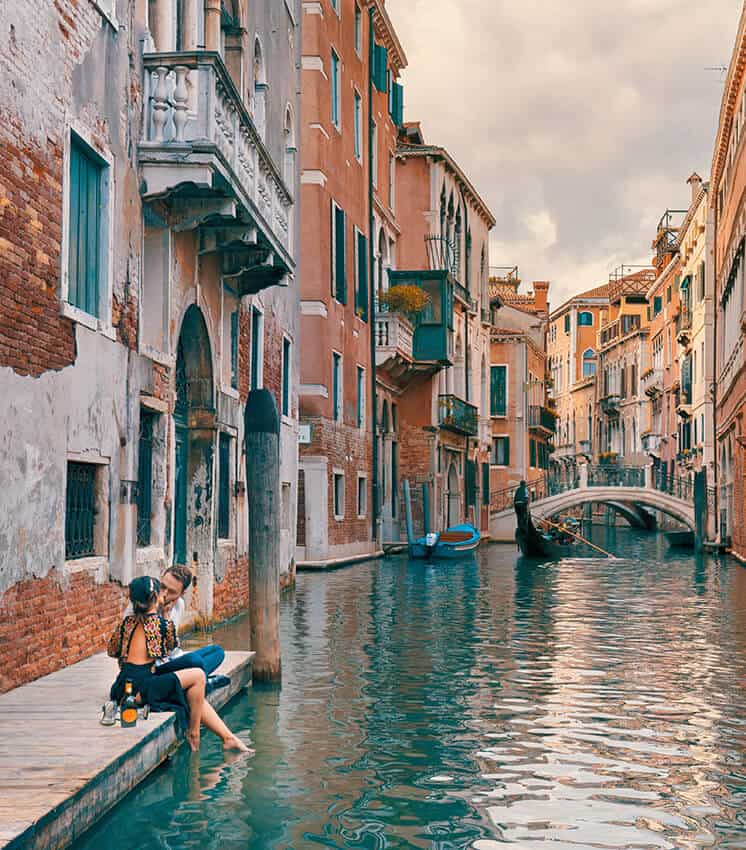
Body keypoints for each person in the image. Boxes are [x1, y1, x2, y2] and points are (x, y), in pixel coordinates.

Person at [107, 576, 250, 754]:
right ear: (155, 598)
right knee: (197, 677)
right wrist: (165, 616)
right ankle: (194, 732)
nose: (165, 595)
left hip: (122, 687)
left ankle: (229, 738)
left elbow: (112, 651)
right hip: (141, 688)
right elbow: (170, 648)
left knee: (192, 686)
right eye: (162, 592)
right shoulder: (160, 624)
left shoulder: (125, 624)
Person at [155, 565, 229, 691]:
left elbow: (172, 650)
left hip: (172, 660)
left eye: (172, 592)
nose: (164, 594)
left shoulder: (179, 605)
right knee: (194, 661)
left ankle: (194, 680)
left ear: (181, 594)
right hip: (156, 668)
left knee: (217, 652)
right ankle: (201, 681)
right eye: (162, 587)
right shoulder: (148, 602)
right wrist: (164, 615)